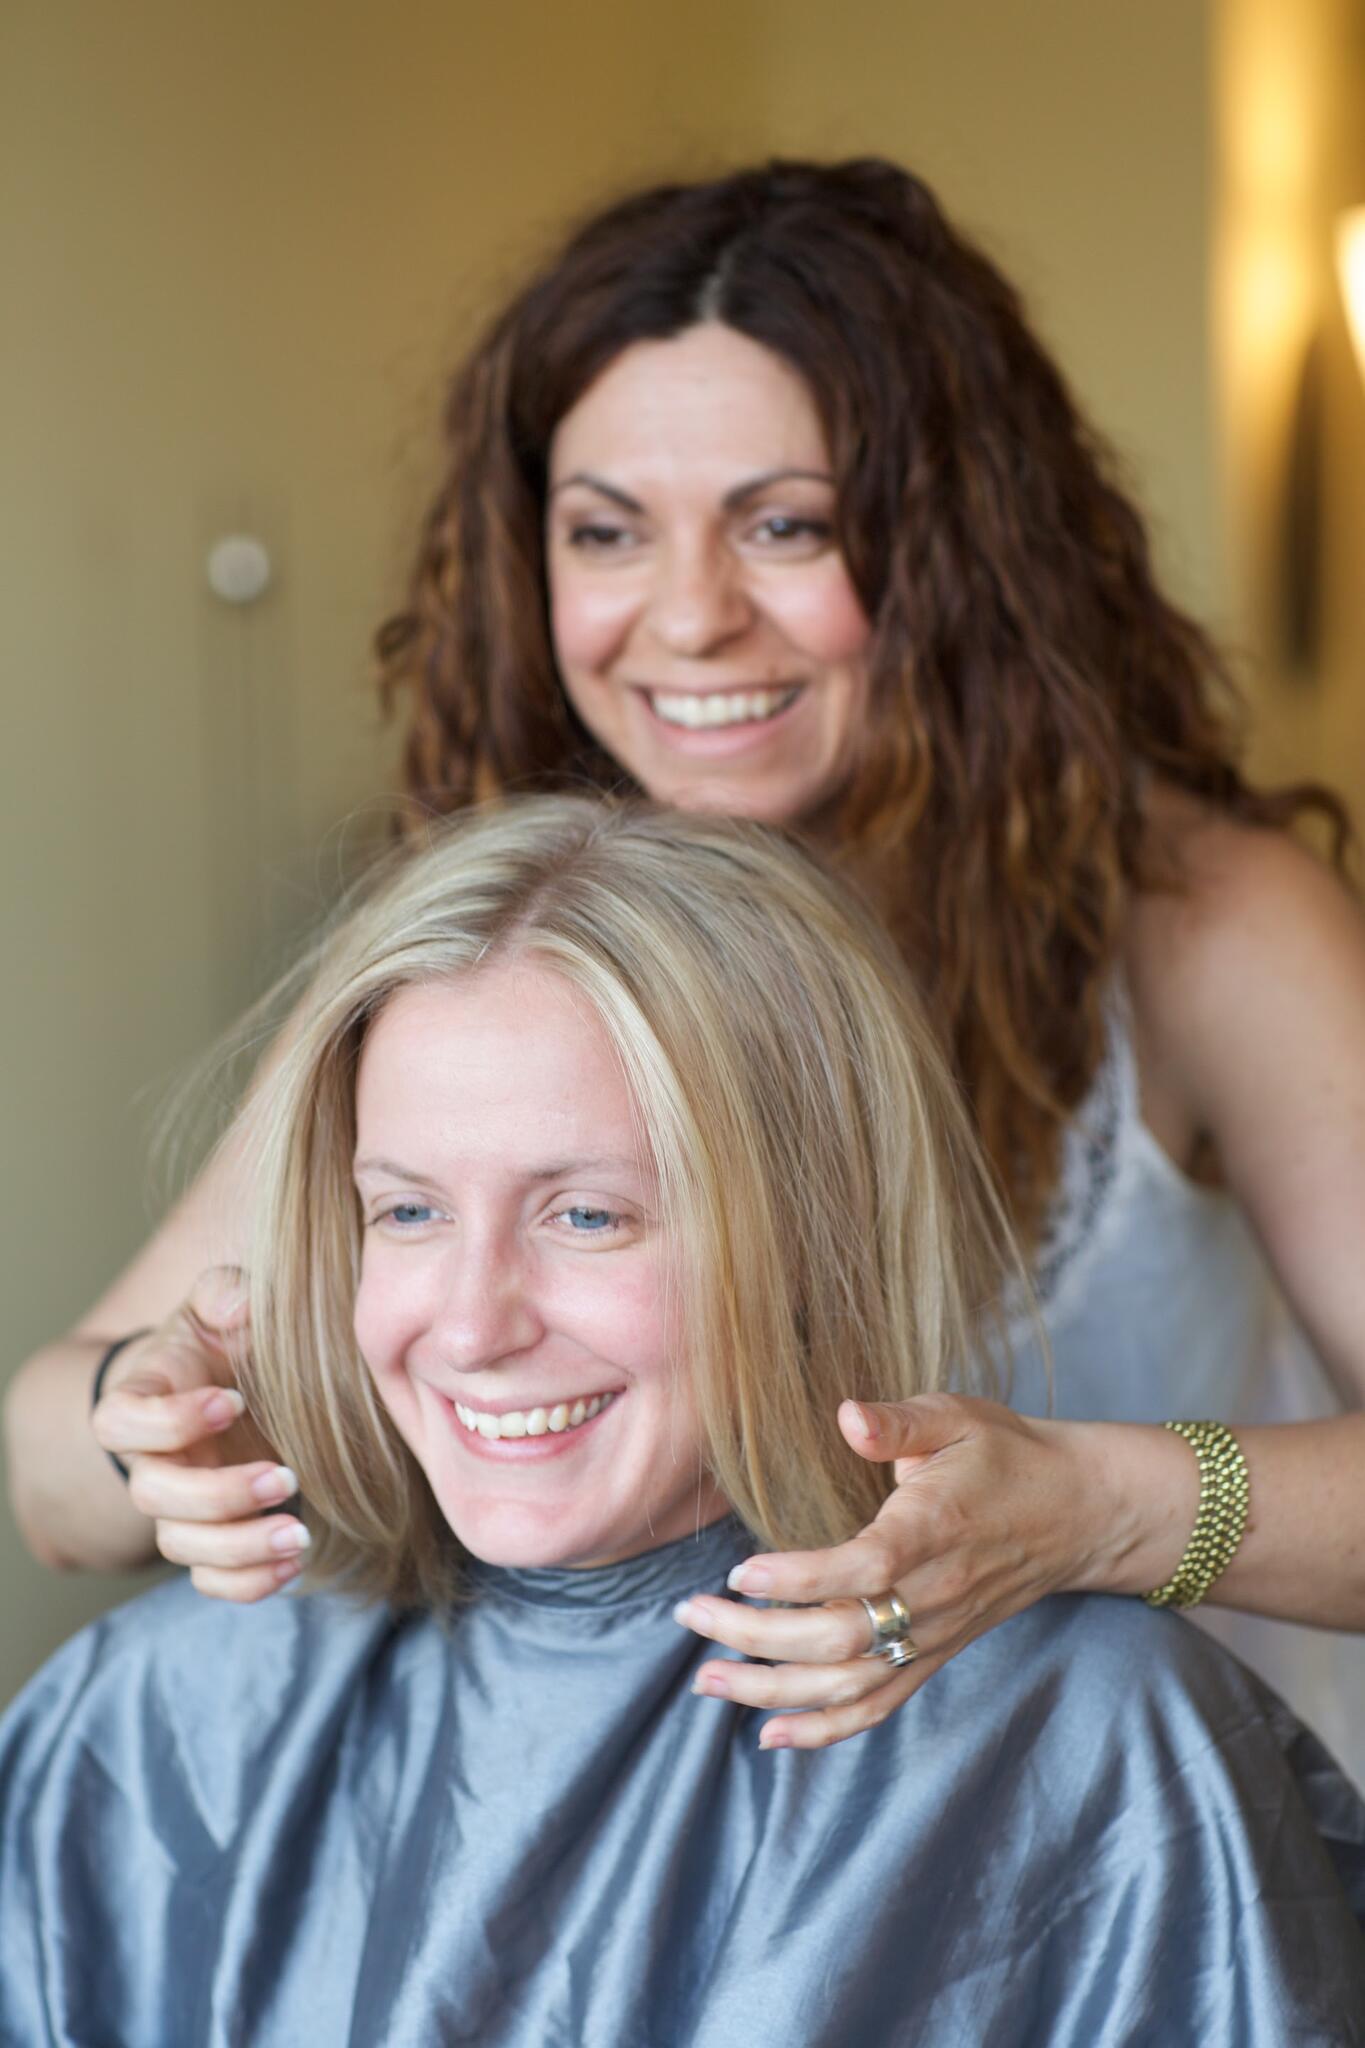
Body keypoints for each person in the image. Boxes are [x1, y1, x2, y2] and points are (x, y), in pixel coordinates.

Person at [6, 157, 1365, 1776]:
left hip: (1151, 1861)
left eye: (782, 525)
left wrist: (1097, 1510)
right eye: (607, 531)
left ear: (957, 556)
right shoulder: (494, 956)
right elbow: (48, 1471)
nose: (690, 615)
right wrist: (162, 1436)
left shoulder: (1200, 925)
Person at [1, 797, 1362, 2048]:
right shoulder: (159, 1724)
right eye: (407, 1209)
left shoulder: (1096, 1747)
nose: (469, 1325)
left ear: (806, 1242)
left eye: (587, 1214)